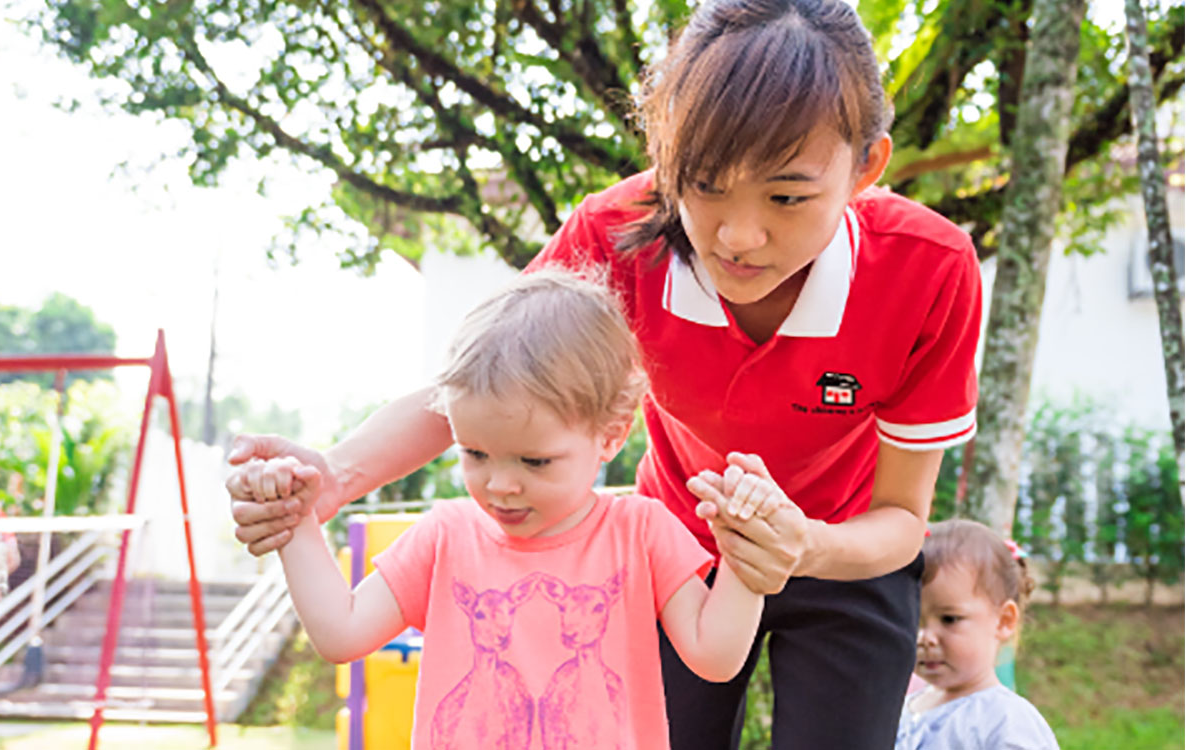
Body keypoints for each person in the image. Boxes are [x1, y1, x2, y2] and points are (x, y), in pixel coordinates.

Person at [227, 0, 982, 745]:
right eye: (706, 184)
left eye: (787, 196)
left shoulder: (929, 269)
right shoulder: (614, 237)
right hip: (675, 547)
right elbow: (485, 386)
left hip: (845, 551)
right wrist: (335, 475)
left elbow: (902, 519)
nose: (739, 235)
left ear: (865, 167)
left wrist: (801, 547)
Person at [228, 270, 777, 749]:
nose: (500, 485)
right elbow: (341, 634)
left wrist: (746, 553)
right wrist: (296, 520)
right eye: (475, 454)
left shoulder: (641, 531)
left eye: (534, 462)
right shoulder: (444, 536)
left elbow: (715, 657)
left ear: (611, 434)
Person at [896, 519, 1059, 749]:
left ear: (1004, 620)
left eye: (949, 619)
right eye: (914, 621)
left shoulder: (1006, 721)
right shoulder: (901, 709)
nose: (925, 638)